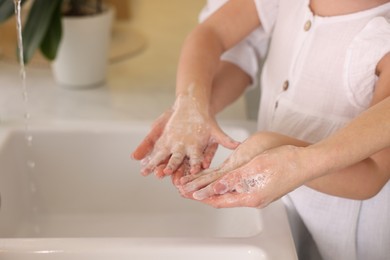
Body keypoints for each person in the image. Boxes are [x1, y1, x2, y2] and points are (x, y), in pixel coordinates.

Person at [132, 0, 390, 259]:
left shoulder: (382, 36)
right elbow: (212, 33)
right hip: (278, 202)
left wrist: (276, 148)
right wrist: (191, 104)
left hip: (347, 232)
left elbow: (371, 175)